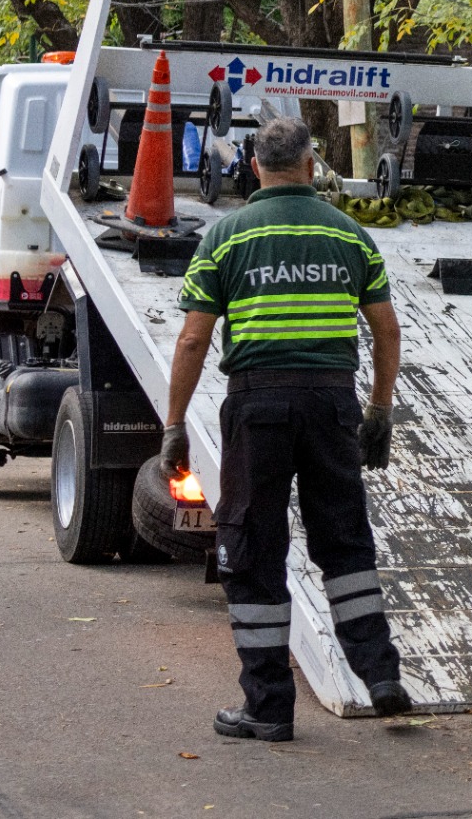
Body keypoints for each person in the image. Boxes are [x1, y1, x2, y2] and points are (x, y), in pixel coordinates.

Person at [163, 115, 412, 742]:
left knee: (253, 548)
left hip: (259, 407)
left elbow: (193, 340)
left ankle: (269, 706)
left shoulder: (224, 238)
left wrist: (174, 424)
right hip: (332, 404)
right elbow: (386, 329)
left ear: (254, 169)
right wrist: (379, 409)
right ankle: (380, 674)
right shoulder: (350, 235)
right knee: (345, 541)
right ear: (309, 166)